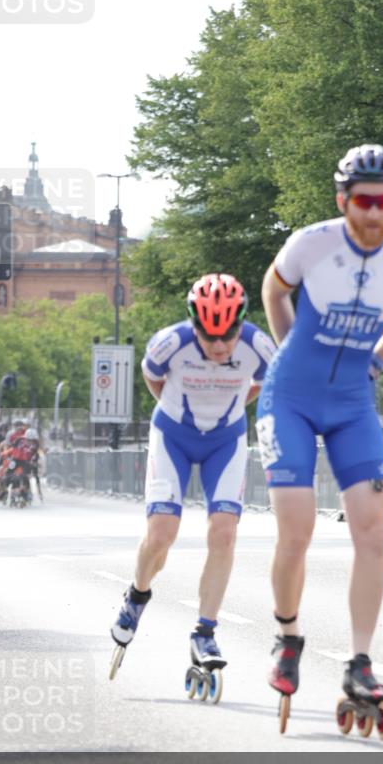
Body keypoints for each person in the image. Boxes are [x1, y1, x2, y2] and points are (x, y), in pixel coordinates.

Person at [257, 143, 383, 721]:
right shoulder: (312, 242)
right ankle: (288, 637)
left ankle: (359, 662)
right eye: (363, 201)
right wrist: (289, 349)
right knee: (297, 530)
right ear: (343, 201)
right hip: (290, 397)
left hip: (353, 402)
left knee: (373, 529)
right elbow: (273, 289)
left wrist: (378, 360)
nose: (374, 213)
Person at [110, 273, 276, 682]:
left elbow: (264, 384)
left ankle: (205, 632)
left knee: (224, 533)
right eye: (208, 336)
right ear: (193, 324)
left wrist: (230, 405)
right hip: (174, 436)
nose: (219, 346)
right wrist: (178, 410)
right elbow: (153, 377)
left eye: (228, 336)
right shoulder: (170, 343)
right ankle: (137, 594)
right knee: (161, 535)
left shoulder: (259, 346)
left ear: (241, 324)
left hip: (225, 440)